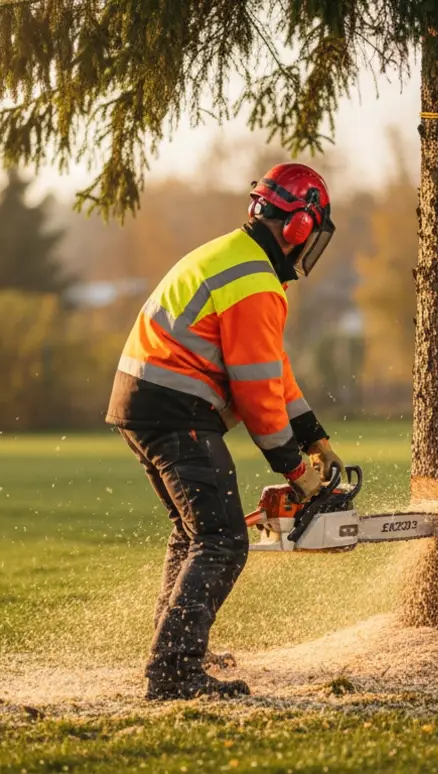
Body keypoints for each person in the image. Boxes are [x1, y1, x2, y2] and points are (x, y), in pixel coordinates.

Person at [105, 162, 346, 700]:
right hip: (175, 409)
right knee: (222, 540)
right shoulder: (254, 282)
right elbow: (257, 394)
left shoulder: (236, 259)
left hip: (144, 399)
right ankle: (173, 670)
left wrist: (314, 436)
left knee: (194, 534)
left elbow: (272, 368)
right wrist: (295, 471)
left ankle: (173, 644)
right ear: (300, 228)